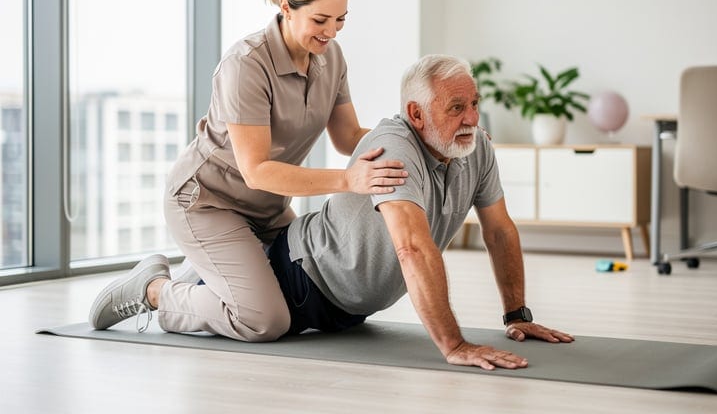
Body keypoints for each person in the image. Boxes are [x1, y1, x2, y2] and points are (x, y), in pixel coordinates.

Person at [90, 53, 573, 370]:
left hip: (345, 307)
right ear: (417, 113)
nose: (471, 118)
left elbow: (500, 230)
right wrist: (454, 345)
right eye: (456, 107)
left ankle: (194, 275)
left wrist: (517, 312)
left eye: (474, 104)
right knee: (257, 324)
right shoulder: (395, 151)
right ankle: (154, 290)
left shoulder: (475, 148)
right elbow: (411, 246)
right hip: (302, 280)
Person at [88, 0, 407, 340]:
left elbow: (348, 137)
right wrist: (349, 180)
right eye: (320, 20)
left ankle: (204, 285)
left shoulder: (332, 58)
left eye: (340, 20)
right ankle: (154, 292)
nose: (332, 32)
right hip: (208, 203)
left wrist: (414, 138)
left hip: (268, 209)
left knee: (307, 290)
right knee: (265, 320)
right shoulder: (247, 64)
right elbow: (256, 171)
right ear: (287, 7)